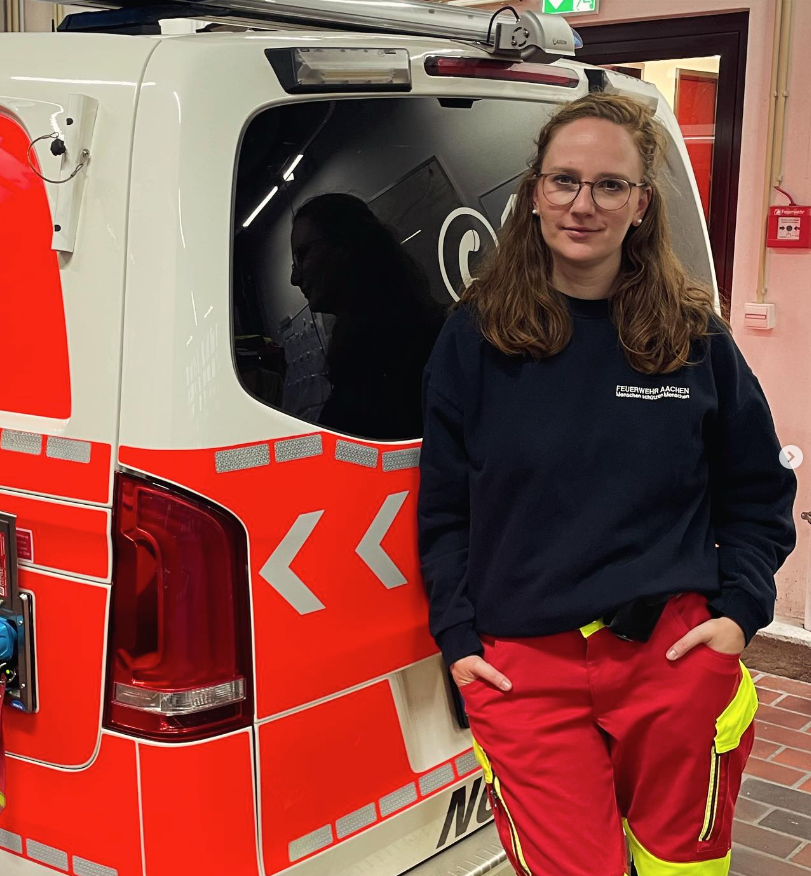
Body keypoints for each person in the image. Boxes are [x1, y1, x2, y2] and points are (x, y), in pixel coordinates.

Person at [417, 93, 798, 876]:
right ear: (534, 193)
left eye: (609, 185)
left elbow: (758, 495)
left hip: (672, 657)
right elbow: (446, 509)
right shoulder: (474, 337)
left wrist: (737, 613)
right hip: (522, 670)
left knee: (678, 866)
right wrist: (457, 641)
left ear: (641, 205)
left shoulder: (692, 337)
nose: (581, 204)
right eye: (563, 180)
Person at [290, 193, 446, 440]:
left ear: (344, 244)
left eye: (301, 255)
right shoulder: (364, 353)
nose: (294, 278)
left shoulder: (409, 349)